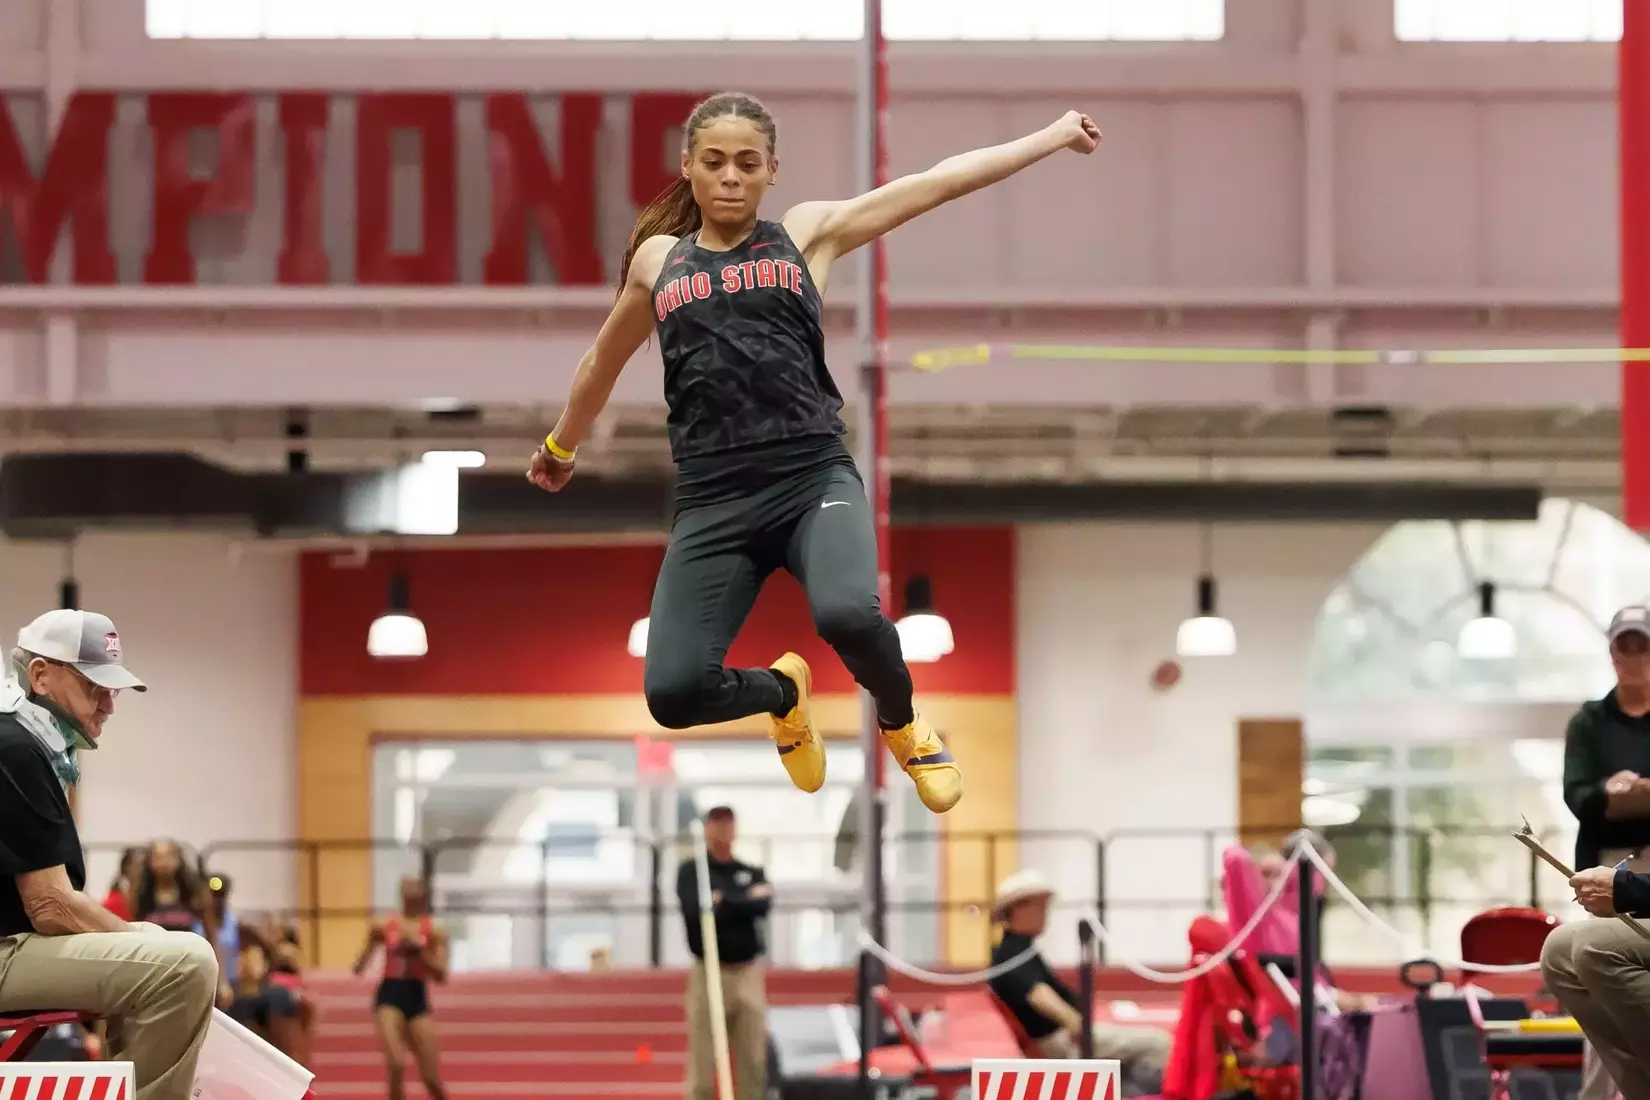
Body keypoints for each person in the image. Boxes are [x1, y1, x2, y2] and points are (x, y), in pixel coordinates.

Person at [527, 91, 1101, 816]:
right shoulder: (658, 262)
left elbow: (938, 182)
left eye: (746, 163)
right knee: (672, 694)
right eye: (714, 163)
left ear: (772, 170)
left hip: (809, 479)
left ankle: (904, 724)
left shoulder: (805, 235)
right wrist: (561, 444)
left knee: (848, 616)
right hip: (713, 501)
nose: (730, 177)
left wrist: (1050, 134)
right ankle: (783, 691)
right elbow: (601, 361)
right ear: (688, 168)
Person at [0, 608, 218, 1100]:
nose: (108, 707)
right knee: (184, 964)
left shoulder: (24, 742)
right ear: (40, 675)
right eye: (95, 688)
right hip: (6, 949)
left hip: (12, 942)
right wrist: (141, 936)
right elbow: (51, 908)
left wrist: (140, 936)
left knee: (158, 949)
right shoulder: (15, 746)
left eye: (112, 691)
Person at [1558, 605, 1650, 1100]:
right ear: (1612, 653)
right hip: (1605, 866)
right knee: (1594, 983)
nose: (1634, 657)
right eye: (1624, 646)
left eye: (1643, 645)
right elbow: (1578, 796)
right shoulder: (1589, 722)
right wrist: (1610, 794)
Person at [986, 870, 1170, 1096]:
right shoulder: (1012, 954)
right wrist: (1077, 1025)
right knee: (1159, 1044)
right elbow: (1039, 996)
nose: (1046, 914)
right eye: (1040, 907)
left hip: (1060, 1036)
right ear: (1018, 908)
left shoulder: (1020, 949)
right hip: (1059, 1042)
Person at [676, 806, 771, 1100]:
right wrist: (741, 900)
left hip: (747, 972)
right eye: (717, 825)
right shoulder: (693, 872)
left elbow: (762, 905)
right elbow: (695, 909)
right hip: (709, 972)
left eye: (728, 824)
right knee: (704, 1061)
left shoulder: (750, 871)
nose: (723, 831)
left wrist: (724, 900)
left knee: (754, 1059)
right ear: (707, 829)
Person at [353, 876, 449, 1100]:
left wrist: (420, 953)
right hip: (390, 994)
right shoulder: (385, 926)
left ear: (423, 896)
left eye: (416, 890)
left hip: (417, 996)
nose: (411, 895)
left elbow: (441, 975)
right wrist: (370, 942)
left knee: (430, 1077)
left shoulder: (434, 931)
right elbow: (359, 967)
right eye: (407, 889)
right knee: (395, 1063)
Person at [102, 846, 144, 922]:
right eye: (136, 864)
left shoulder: (149, 893)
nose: (140, 869)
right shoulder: (114, 899)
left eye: (143, 865)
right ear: (125, 867)